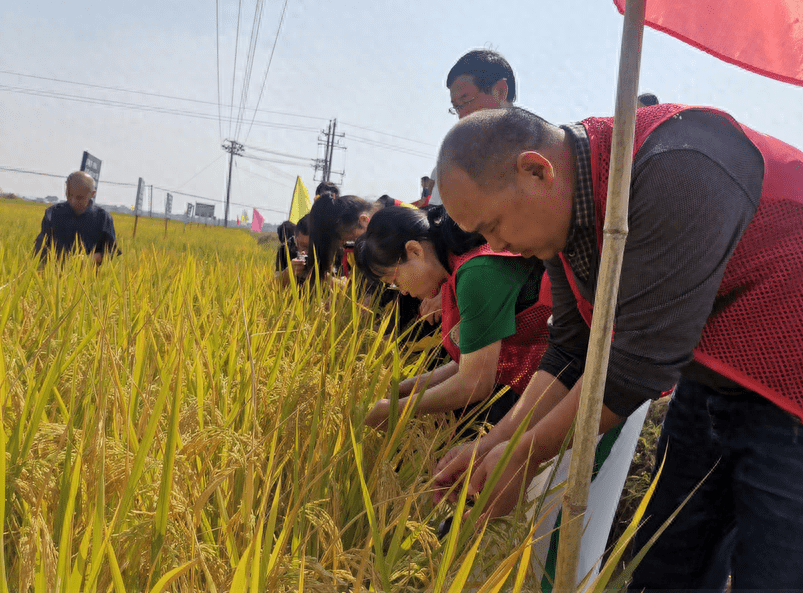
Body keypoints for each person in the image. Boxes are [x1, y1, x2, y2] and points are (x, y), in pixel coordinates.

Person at [433, 106, 803, 590]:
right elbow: (570, 349)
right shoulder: (565, 222)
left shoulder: (678, 167)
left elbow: (636, 366)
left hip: (790, 388)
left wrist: (524, 456)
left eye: (494, 224)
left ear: (536, 171)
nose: (497, 245)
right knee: (666, 566)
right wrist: (494, 442)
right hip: (713, 378)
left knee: (777, 573)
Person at [353, 205, 550, 432]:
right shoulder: (457, 268)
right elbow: (471, 360)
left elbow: (474, 383)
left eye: (395, 281)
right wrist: (411, 388)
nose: (403, 291)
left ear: (414, 251)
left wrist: (397, 410)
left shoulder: (476, 273)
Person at [427, 48, 518, 208]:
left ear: (500, 91)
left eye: (466, 101)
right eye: (457, 107)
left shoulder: (549, 150)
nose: (462, 116)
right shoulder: (453, 167)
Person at [34, 171, 119, 264]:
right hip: (54, 270)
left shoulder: (103, 218)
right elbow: (40, 248)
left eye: (79, 197)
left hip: (88, 272)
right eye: (69, 195)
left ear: (92, 194)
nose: (73, 201)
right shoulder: (52, 213)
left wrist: (88, 260)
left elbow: (110, 252)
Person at [275, 215, 310, 285]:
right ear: (295, 238)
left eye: (311, 248)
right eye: (303, 246)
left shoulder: (330, 251)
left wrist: (322, 275)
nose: (304, 252)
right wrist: (289, 272)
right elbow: (274, 285)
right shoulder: (285, 249)